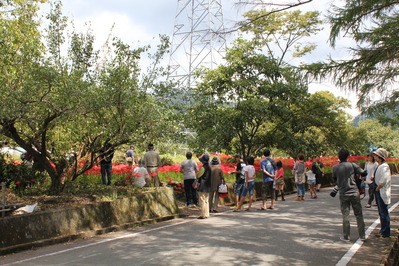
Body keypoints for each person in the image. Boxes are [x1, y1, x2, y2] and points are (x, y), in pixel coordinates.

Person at [332, 148, 366, 242]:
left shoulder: (335, 168)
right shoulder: (352, 165)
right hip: (354, 192)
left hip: (343, 194)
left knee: (345, 215)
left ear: (339, 157)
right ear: (348, 157)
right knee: (359, 214)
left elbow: (335, 179)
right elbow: (363, 172)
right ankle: (362, 235)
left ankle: (346, 236)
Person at [373, 148, 391, 238]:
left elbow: (384, 179)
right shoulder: (379, 165)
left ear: (380, 157)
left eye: (376, 155)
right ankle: (383, 230)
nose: (374, 157)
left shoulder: (384, 166)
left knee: (383, 212)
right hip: (379, 190)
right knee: (381, 211)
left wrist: (378, 187)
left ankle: (385, 231)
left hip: (381, 190)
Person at [196, 155, 212, 219]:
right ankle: (207, 213)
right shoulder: (209, 168)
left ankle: (202, 214)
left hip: (203, 186)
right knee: (206, 200)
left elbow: (199, 176)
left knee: (202, 200)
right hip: (208, 186)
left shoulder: (203, 168)